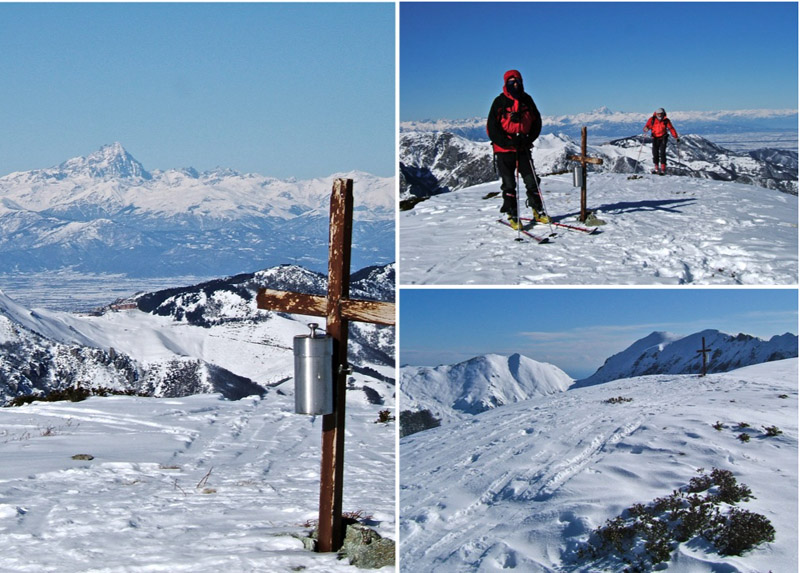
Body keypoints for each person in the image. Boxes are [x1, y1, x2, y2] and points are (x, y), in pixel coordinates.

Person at [487, 69, 547, 230]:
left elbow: (537, 122)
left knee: (532, 180)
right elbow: (491, 129)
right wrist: (508, 142)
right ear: (506, 83)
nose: (515, 84)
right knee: (509, 184)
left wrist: (528, 139)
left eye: (517, 81)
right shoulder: (499, 102)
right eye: (511, 82)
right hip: (504, 150)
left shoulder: (527, 100)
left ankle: (538, 210)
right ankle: (512, 213)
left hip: (523, 148)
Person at [643, 108, 679, 175]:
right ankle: (656, 168)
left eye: (661, 114)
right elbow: (647, 126)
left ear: (663, 113)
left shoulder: (666, 120)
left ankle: (663, 169)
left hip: (663, 137)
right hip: (655, 137)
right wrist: (646, 129)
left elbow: (671, 128)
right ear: (656, 113)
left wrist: (675, 136)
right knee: (655, 153)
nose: (659, 115)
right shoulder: (652, 119)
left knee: (662, 153)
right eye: (658, 114)